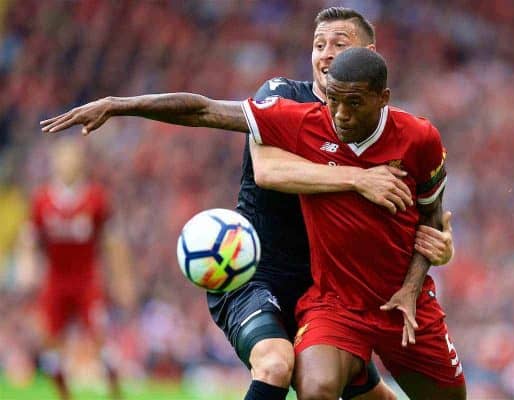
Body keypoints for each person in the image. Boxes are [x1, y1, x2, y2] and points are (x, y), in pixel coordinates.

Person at [40, 35, 459, 400]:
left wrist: (426, 265)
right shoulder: (296, 116)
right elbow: (211, 119)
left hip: (385, 298)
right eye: (318, 46)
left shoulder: (418, 136)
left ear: (380, 90)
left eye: (339, 46)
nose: (341, 114)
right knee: (297, 378)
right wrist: (118, 105)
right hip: (320, 300)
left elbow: (434, 218)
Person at [30, 137, 123, 400]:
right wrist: (28, 265)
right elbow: (31, 237)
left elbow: (111, 240)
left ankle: (115, 393)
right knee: (50, 347)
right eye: (62, 158)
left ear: (80, 162)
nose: (66, 163)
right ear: (54, 162)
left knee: (102, 342)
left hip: (87, 280)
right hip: (55, 281)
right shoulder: (42, 199)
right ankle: (64, 395)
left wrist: (119, 278)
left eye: (71, 157)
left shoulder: (96, 197)